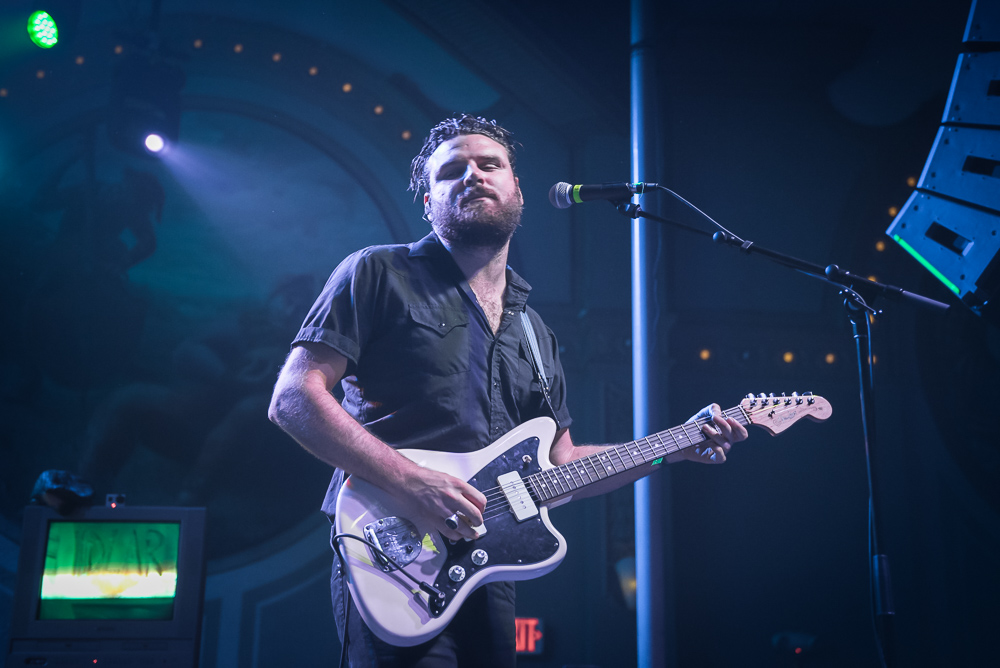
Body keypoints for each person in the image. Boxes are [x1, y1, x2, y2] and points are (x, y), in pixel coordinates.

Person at [268, 114, 749, 668]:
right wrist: (413, 481)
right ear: (429, 203)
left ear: (517, 190)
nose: (473, 175)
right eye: (452, 170)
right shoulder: (378, 272)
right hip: (390, 549)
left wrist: (677, 445)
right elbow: (294, 398)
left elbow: (565, 462)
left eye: (489, 164)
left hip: (490, 565)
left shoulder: (535, 332)